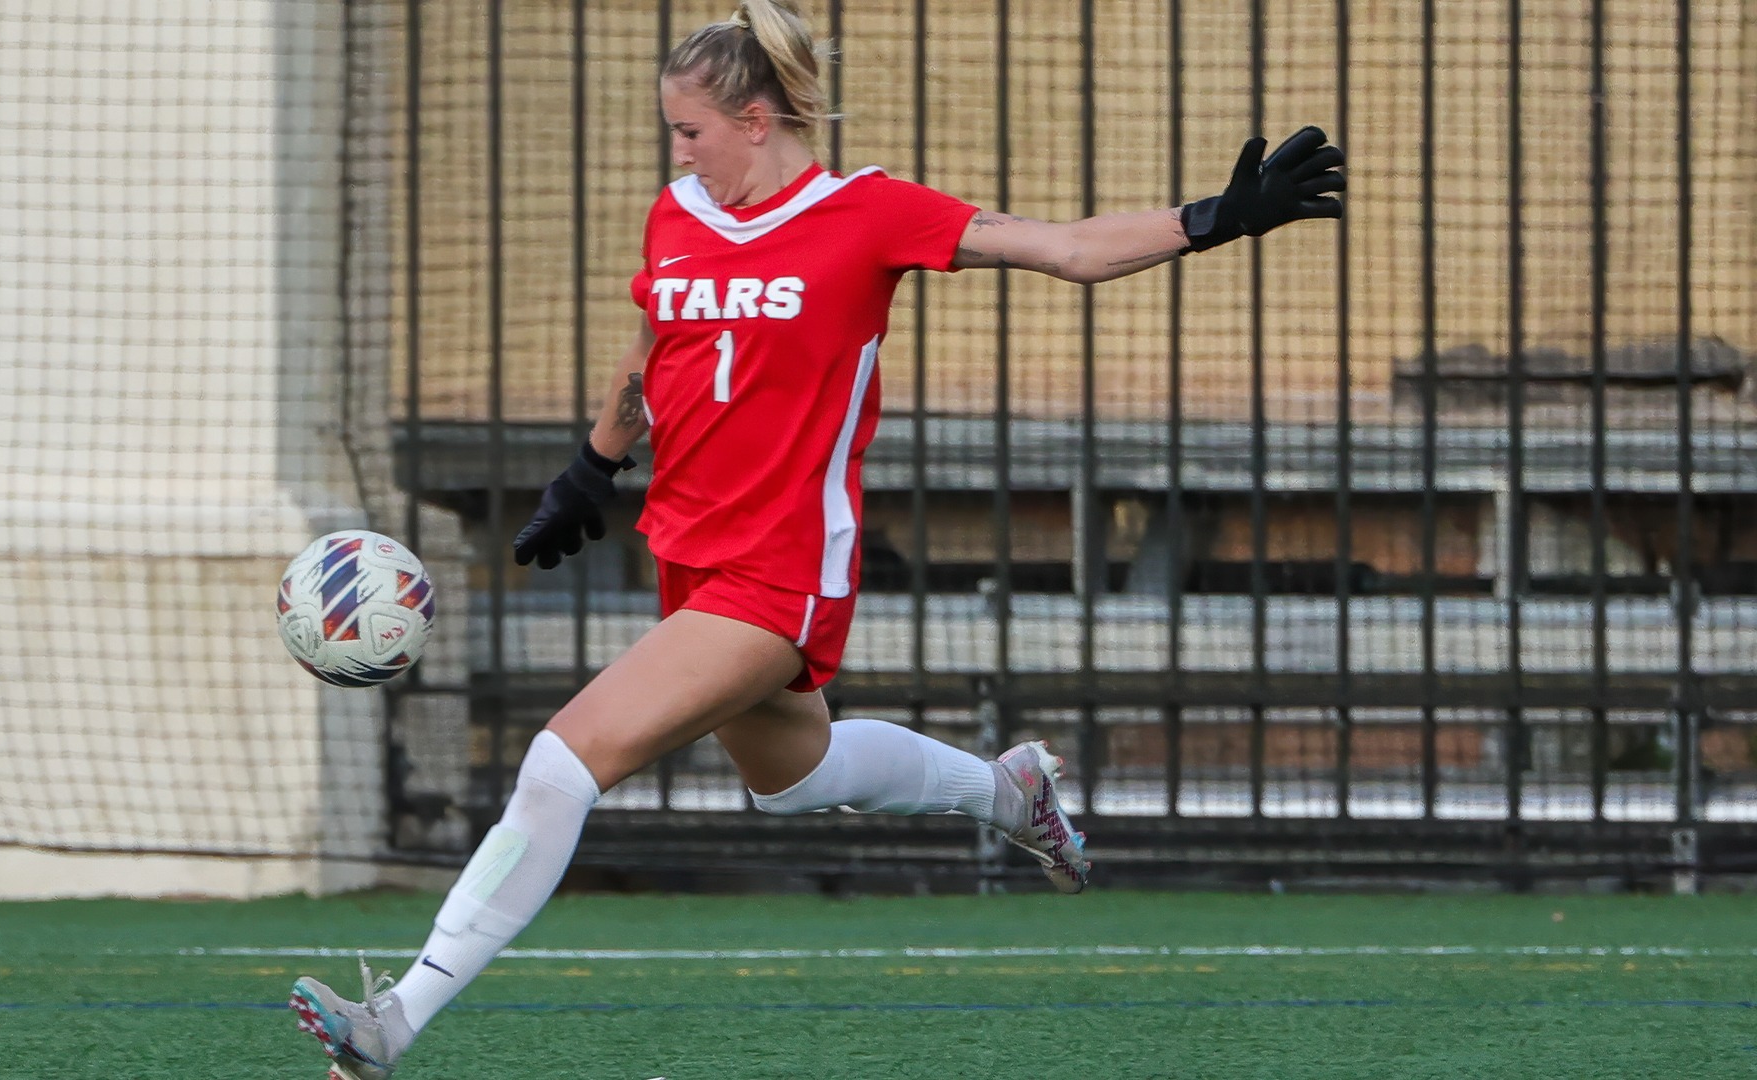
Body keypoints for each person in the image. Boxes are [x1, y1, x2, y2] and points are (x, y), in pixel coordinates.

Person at [289, 2, 1343, 1075]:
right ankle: (1009, 792)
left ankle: (397, 1022)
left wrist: (1211, 217)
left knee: (561, 765)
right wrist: (590, 468)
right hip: (688, 552)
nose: (677, 149)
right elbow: (653, 345)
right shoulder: (678, 212)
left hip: (780, 567)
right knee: (796, 773)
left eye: (689, 129)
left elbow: (1063, 250)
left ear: (755, 119)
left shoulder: (869, 211)